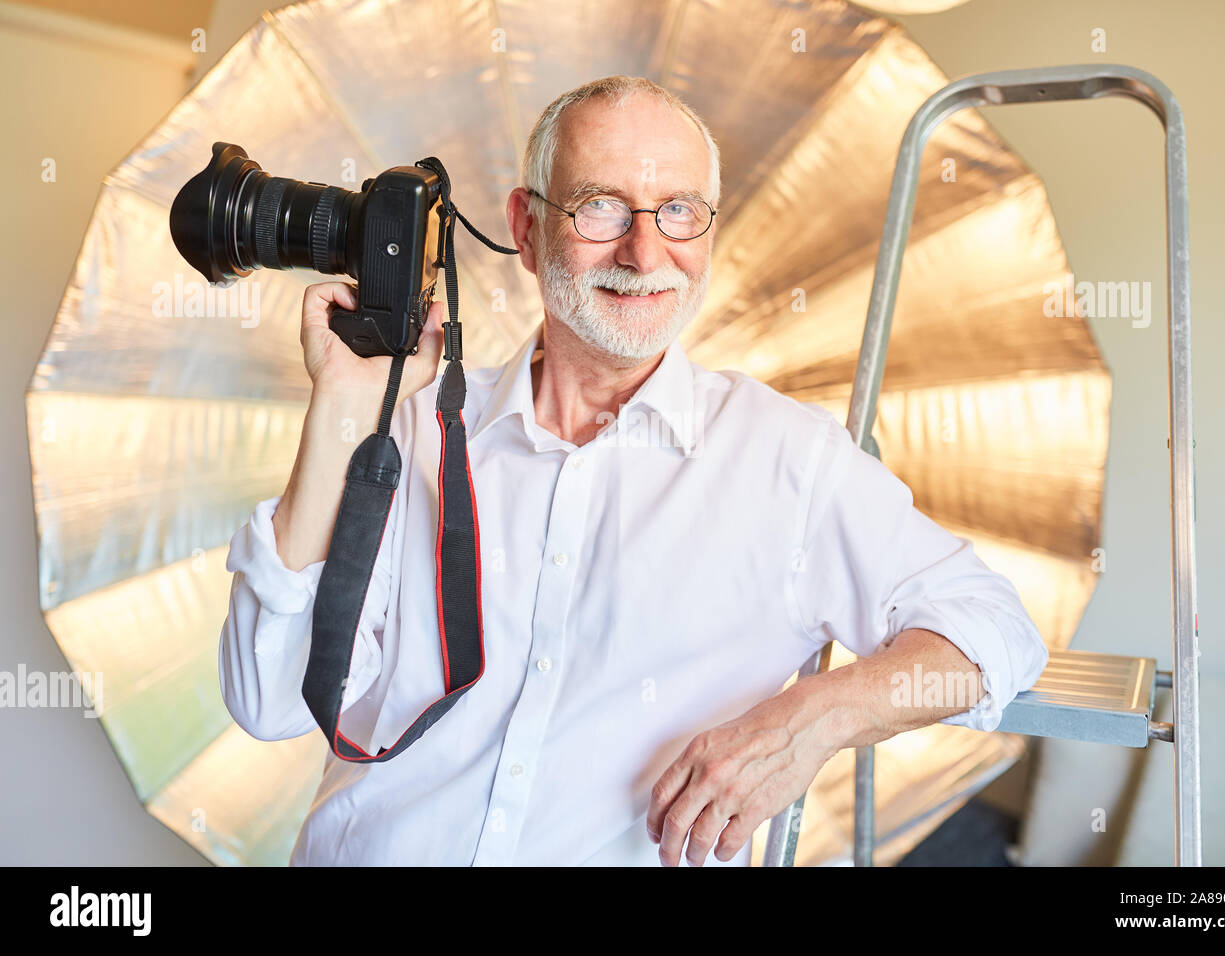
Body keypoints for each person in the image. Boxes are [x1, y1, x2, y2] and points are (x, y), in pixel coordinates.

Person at [219, 74, 1049, 867]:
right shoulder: (403, 426)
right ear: (526, 226)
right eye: (602, 206)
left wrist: (811, 720)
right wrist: (343, 406)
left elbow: (994, 631)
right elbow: (268, 701)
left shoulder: (788, 462)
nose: (645, 250)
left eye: (679, 210)